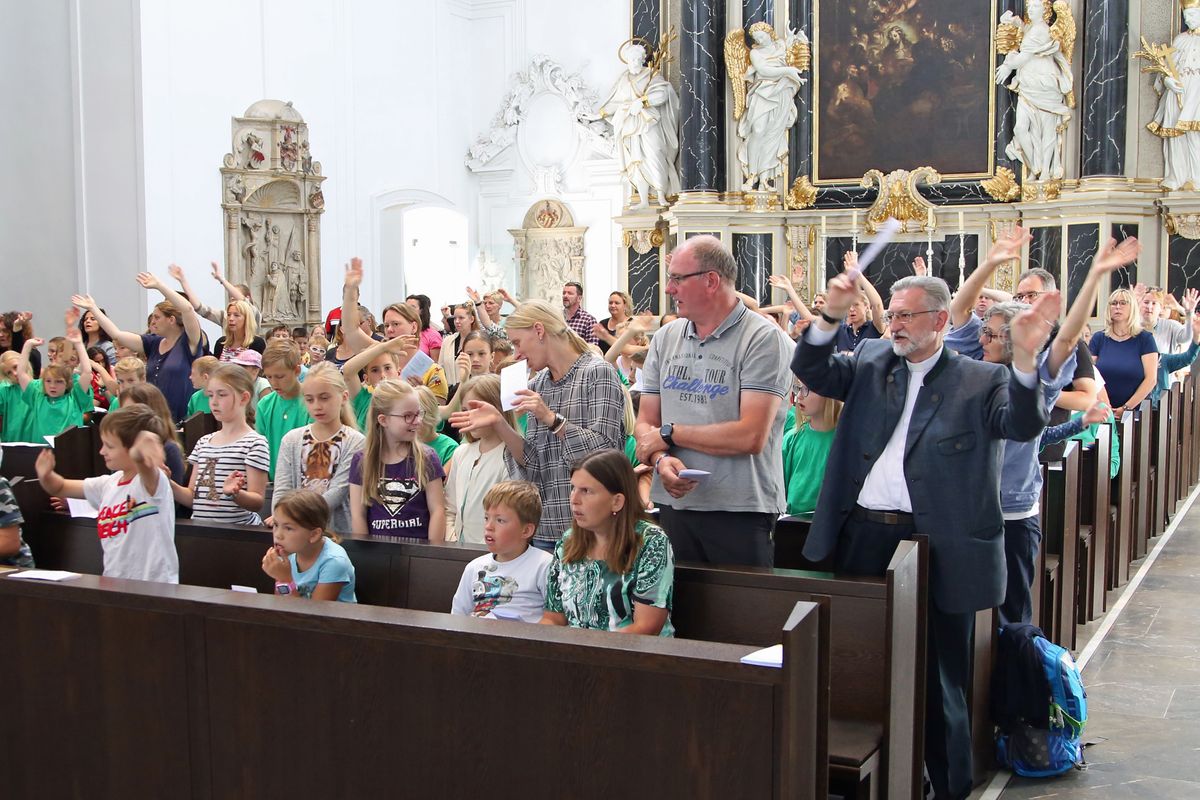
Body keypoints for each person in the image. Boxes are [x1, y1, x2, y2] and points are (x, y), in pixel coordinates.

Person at [792, 267, 1054, 800]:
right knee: (857, 661)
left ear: (940, 320)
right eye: (892, 315)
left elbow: (1024, 425)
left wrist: (1026, 363)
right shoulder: (870, 361)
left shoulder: (982, 380)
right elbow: (811, 367)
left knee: (942, 679)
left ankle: (950, 783)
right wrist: (831, 313)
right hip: (864, 534)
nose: (895, 325)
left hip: (939, 547)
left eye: (907, 315)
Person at [634, 235, 793, 567]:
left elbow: (750, 436)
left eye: (677, 278)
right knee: (678, 614)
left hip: (739, 509)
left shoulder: (763, 339)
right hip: (675, 503)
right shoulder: (666, 337)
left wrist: (670, 433)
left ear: (711, 280)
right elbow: (645, 424)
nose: (668, 289)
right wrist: (662, 461)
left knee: (739, 615)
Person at [450, 300, 625, 549]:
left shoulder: (597, 373)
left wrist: (551, 419)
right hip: (544, 527)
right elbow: (533, 463)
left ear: (539, 331)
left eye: (518, 343)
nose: (517, 354)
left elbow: (606, 454)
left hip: (590, 531)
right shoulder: (538, 383)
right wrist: (500, 424)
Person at [36, 404, 179, 583]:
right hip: (114, 583)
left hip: (154, 588)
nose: (102, 451)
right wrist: (46, 475)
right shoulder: (107, 484)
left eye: (109, 446)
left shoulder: (153, 483)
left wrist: (141, 448)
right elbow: (60, 487)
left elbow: (143, 463)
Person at [539, 450, 675, 636]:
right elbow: (553, 618)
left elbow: (646, 628)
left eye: (586, 491)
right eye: (573, 488)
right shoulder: (568, 540)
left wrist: (587, 654)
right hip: (575, 653)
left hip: (633, 656)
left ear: (617, 501)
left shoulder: (651, 541)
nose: (574, 500)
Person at [72, 272, 205, 423]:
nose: (152, 322)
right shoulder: (153, 342)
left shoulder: (188, 342)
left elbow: (187, 309)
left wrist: (159, 286)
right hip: (152, 419)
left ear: (171, 320)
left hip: (181, 421)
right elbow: (117, 335)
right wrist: (93, 308)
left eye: (157, 317)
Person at [271, 363, 365, 534]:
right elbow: (281, 490)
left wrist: (293, 517)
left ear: (343, 397)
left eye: (324, 398)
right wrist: (281, 522)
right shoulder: (291, 440)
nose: (317, 406)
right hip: (294, 534)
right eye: (309, 399)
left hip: (337, 534)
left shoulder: (356, 442)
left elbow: (337, 492)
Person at [173, 364, 270, 526]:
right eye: (211, 395)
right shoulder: (203, 442)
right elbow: (192, 497)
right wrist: (166, 483)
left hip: (236, 536)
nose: (214, 402)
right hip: (202, 534)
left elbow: (257, 501)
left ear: (244, 398)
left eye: (222, 395)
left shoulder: (254, 443)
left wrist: (235, 494)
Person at [349, 379, 446, 539]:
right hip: (379, 554)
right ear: (383, 420)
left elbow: (438, 511)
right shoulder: (362, 460)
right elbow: (358, 515)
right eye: (408, 416)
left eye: (418, 414)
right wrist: (365, 553)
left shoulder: (427, 457)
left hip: (418, 554)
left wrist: (432, 555)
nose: (417, 421)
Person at [994, 0, 1073, 183]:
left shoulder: (1041, 31)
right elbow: (1024, 29)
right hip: (1027, 85)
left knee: (1046, 130)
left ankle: (1044, 170)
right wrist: (1014, 22)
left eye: (1036, 6)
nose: (1030, 9)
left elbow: (1023, 57)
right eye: (1029, 7)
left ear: (1045, 11)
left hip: (1043, 84)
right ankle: (1035, 165)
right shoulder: (1031, 28)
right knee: (1020, 128)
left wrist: (1007, 65)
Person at [450, 480, 552, 621]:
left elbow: (555, 618)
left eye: (500, 520)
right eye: (486, 518)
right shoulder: (474, 568)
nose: (489, 526)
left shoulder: (544, 565)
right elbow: (458, 615)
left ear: (526, 530)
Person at [596, 41, 681, 208]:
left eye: (637, 59)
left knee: (655, 154)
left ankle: (661, 194)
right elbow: (615, 102)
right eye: (631, 60)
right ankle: (643, 199)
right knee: (636, 162)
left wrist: (643, 101)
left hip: (649, 122)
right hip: (630, 125)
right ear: (627, 61)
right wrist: (599, 113)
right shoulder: (623, 80)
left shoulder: (651, 75)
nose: (634, 63)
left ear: (643, 59)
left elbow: (664, 93)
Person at [732, 22, 808, 191]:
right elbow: (763, 70)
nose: (759, 39)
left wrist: (791, 37)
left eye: (762, 35)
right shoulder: (755, 52)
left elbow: (795, 51)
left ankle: (764, 178)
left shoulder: (781, 45)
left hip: (782, 93)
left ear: (769, 33)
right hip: (763, 93)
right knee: (758, 131)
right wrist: (787, 71)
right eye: (756, 37)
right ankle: (752, 176)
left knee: (774, 134)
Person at [443, 375, 512, 544]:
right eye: (465, 410)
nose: (469, 416)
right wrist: (452, 539)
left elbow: (506, 516)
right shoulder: (461, 453)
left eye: (476, 410)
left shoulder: (509, 457)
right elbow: (450, 508)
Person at [261, 489, 357, 602]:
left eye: (288, 528)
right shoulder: (288, 553)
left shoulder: (334, 562)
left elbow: (314, 616)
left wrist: (284, 579)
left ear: (314, 535)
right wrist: (280, 577)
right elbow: (281, 605)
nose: (278, 535)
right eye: (276, 525)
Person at [1147, 4, 1200, 190]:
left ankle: (1197, 177)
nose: (1188, 20)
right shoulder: (1179, 40)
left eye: (1192, 14)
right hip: (1177, 92)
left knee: (1195, 135)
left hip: (1197, 93)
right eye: (1185, 15)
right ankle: (1177, 176)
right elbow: (1168, 68)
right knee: (1176, 136)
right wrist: (1167, 80)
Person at [17, 316, 94, 441]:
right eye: (48, 381)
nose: (52, 386)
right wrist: (27, 345)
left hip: (69, 451)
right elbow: (21, 374)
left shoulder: (74, 397)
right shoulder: (38, 395)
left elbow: (87, 372)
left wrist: (79, 343)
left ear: (67, 384)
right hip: (42, 452)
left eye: (59, 382)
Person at [1089, 287, 1158, 415]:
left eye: (1123, 303)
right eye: (1114, 303)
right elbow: (1090, 374)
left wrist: (1126, 408)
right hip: (1101, 411)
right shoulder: (1099, 339)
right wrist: (1104, 404)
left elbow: (1151, 379)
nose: (1117, 307)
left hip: (1135, 412)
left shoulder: (1145, 339)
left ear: (1132, 308)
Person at [781, 379, 840, 516]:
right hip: (791, 524)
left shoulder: (844, 441)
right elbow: (780, 485)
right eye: (799, 389)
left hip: (828, 523)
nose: (800, 396)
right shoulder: (792, 438)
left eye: (808, 389)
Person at [255, 340, 312, 480]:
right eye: (269, 377)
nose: (274, 383)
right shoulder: (264, 405)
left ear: (297, 370)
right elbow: (261, 450)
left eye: (280, 376)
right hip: (274, 482)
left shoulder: (312, 401)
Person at [118, 383, 188, 486]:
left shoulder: (169, 449)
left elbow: (170, 497)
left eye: (133, 412)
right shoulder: (122, 446)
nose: (126, 417)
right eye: (124, 411)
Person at [0, 352, 31, 442]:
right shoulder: (5, 390)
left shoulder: (41, 386)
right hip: (12, 446)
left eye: (16, 367)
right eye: (9, 373)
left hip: (38, 445)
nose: (15, 373)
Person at [405, 293, 443, 361]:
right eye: (405, 307)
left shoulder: (432, 335)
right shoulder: (401, 331)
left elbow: (437, 365)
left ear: (421, 311)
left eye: (412, 307)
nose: (407, 310)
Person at [561, 282, 599, 346]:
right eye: (564, 293)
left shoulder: (589, 320)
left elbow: (592, 350)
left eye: (570, 293)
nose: (565, 296)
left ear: (579, 298)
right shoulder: (557, 317)